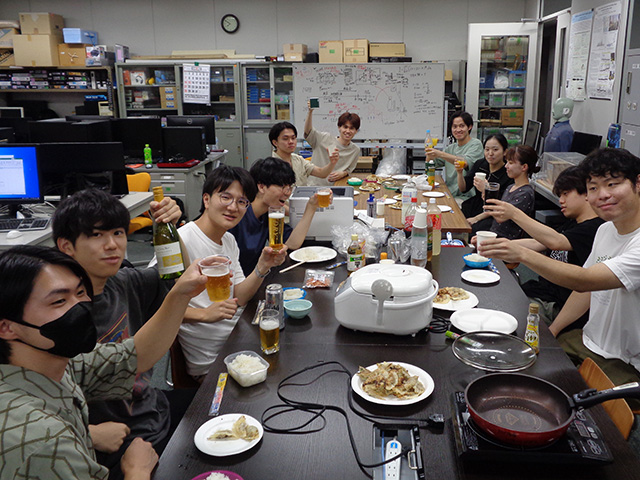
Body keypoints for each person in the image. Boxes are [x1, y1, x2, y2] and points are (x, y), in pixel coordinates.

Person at [0, 245, 206, 480]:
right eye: (59, 301)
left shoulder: (56, 364)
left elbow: (133, 356)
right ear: (6, 327)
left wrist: (180, 294)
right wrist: (137, 470)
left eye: (80, 292)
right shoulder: (44, 442)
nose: (80, 307)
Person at [479, 148, 640, 404]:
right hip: (583, 341)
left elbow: (584, 280)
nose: (602, 194)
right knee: (506, 367)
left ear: (637, 183)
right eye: (594, 187)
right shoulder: (606, 230)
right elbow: (585, 291)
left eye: (612, 184)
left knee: (542, 401)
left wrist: (521, 253)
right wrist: (552, 331)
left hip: (624, 364)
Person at [51, 188, 189, 479]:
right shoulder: (53, 315)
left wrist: (172, 230)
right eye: (96, 235)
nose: (112, 245)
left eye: (118, 233)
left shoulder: (125, 282)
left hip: (152, 409)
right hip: (112, 441)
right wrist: (88, 433)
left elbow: (180, 277)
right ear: (66, 246)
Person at [170, 165, 287, 379]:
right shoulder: (181, 240)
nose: (233, 207)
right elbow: (155, 307)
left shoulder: (228, 239)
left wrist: (263, 266)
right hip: (213, 359)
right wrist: (204, 314)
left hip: (238, 339)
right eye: (226, 197)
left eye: (242, 202)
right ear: (207, 200)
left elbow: (239, 296)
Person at [484, 166, 603, 324]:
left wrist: (514, 214)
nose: (561, 200)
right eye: (560, 195)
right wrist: (496, 245)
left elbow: (556, 241)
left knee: (495, 311)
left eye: (566, 194)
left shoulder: (594, 228)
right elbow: (539, 242)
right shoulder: (572, 224)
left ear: (587, 193)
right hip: (542, 292)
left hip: (555, 304)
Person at [230, 157, 327, 275]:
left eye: (289, 187)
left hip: (257, 277)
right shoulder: (237, 215)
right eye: (282, 187)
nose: (287, 193)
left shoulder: (269, 215)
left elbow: (293, 243)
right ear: (261, 187)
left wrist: (311, 207)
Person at [475, 144, 538, 241]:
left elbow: (501, 217)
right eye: (507, 162)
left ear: (524, 167)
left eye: (510, 163)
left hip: (508, 241)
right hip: (495, 234)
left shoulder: (525, 193)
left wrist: (486, 191)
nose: (506, 166)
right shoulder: (510, 187)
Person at [457, 133, 513, 233]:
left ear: (505, 152)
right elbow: (463, 188)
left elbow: (500, 206)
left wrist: (486, 189)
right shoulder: (480, 164)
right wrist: (459, 173)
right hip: (475, 206)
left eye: (495, 150)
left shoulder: (508, 173)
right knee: (455, 221)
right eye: (487, 149)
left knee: (471, 231)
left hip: (492, 214)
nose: (490, 153)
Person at [425, 111, 484, 201]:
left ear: (469, 127)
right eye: (455, 127)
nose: (458, 130)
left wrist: (440, 154)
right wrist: (429, 150)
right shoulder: (451, 148)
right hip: (448, 193)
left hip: (465, 197)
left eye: (461, 126)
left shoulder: (476, 144)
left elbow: (464, 163)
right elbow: (432, 165)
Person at [304, 102, 361, 185]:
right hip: (315, 186)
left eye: (352, 128)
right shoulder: (324, 138)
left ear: (356, 131)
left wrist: (343, 173)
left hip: (337, 187)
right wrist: (310, 112)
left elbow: (349, 170)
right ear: (339, 127)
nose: (348, 131)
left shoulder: (355, 150)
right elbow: (308, 132)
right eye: (345, 127)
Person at [269, 121, 339, 185]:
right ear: (275, 143)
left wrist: (332, 163)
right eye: (285, 139)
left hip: (302, 194)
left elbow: (321, 173)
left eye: (293, 138)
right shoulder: (270, 166)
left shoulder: (298, 159)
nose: (291, 142)